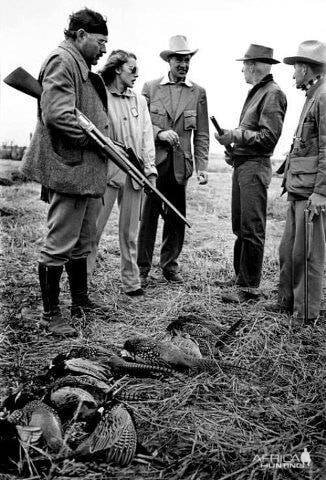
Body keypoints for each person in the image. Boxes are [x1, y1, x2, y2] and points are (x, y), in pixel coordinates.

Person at [21, 8, 110, 336]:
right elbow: (57, 115)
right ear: (81, 34)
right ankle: (50, 315)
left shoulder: (80, 65)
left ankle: (80, 301)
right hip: (69, 168)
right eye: (100, 42)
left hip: (83, 172)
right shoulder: (63, 60)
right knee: (59, 243)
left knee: (81, 241)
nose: (103, 49)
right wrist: (96, 142)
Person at [214, 44, 287, 303]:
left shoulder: (272, 93)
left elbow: (268, 139)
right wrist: (236, 151)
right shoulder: (259, 92)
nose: (242, 70)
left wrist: (235, 135)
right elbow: (255, 135)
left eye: (244, 65)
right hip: (244, 165)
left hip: (255, 169)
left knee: (252, 228)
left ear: (253, 66)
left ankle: (249, 288)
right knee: (240, 226)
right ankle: (240, 279)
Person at [137, 35, 209, 286]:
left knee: (176, 218)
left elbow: (201, 134)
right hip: (154, 164)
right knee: (148, 217)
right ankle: (142, 269)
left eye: (187, 59)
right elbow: (140, 126)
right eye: (179, 59)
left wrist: (201, 167)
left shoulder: (198, 92)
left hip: (181, 167)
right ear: (169, 60)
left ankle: (169, 266)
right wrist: (159, 133)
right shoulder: (150, 88)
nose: (184, 64)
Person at [87, 50, 157, 296]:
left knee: (130, 234)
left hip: (134, 172)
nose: (137, 75)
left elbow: (147, 137)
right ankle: (82, 284)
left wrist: (150, 170)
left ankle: (131, 282)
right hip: (106, 170)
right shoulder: (99, 95)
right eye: (132, 69)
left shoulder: (139, 101)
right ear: (117, 69)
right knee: (93, 230)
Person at [266, 40, 326, 321]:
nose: (292, 74)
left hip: (311, 193)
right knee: (288, 251)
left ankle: (305, 314)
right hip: (297, 188)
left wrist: (321, 192)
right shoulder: (313, 96)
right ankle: (286, 303)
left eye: (295, 68)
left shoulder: (324, 97)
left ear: (305, 67)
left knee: (307, 256)